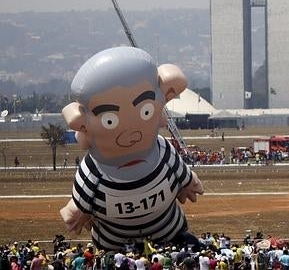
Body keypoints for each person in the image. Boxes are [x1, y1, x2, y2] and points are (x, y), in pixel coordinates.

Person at [58, 47, 204, 250]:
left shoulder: (162, 150)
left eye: (146, 111)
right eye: (109, 120)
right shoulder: (94, 169)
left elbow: (180, 170)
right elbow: (81, 202)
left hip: (165, 228)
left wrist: (188, 181)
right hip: (116, 238)